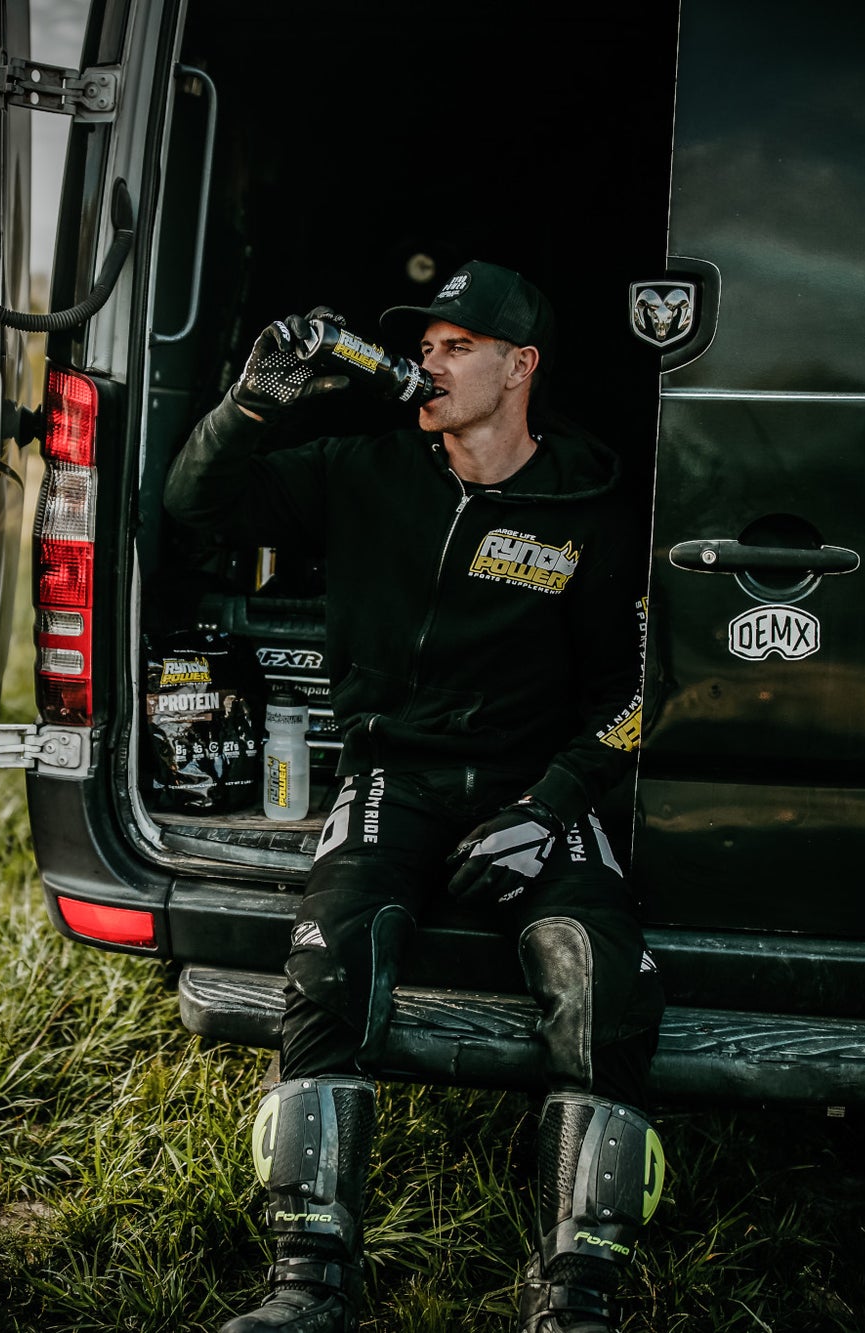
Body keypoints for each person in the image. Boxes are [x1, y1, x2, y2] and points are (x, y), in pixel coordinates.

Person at [164, 261, 667, 1333]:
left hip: (538, 783)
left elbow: (638, 691)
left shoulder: (590, 503)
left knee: (600, 976)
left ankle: (577, 1292)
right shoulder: (363, 469)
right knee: (328, 955)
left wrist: (554, 802)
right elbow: (193, 504)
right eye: (423, 347)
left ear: (517, 367)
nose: (428, 365)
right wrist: (250, 403)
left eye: (455, 347)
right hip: (394, 771)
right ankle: (308, 1278)